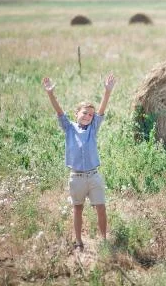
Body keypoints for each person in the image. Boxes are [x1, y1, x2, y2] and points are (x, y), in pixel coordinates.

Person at [42, 74, 116, 251]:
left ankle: (104, 240)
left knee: (101, 208)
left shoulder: (93, 128)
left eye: (90, 114)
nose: (88, 116)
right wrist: (51, 94)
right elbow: (59, 111)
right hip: (76, 177)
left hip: (94, 176)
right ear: (77, 114)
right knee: (77, 209)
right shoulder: (69, 127)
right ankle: (78, 241)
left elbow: (101, 111)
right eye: (84, 113)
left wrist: (107, 92)